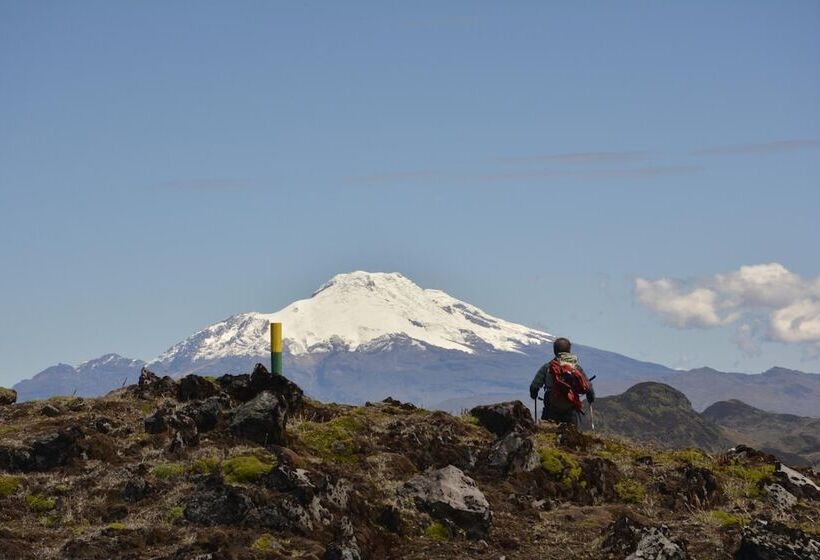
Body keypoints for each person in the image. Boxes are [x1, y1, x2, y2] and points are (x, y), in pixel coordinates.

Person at [529, 337, 595, 428]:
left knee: (549, 432)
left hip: (551, 409)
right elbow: (588, 387)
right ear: (569, 351)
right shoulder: (576, 368)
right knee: (571, 434)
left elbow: (534, 387)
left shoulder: (547, 367)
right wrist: (590, 398)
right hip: (570, 411)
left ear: (554, 351)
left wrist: (534, 394)